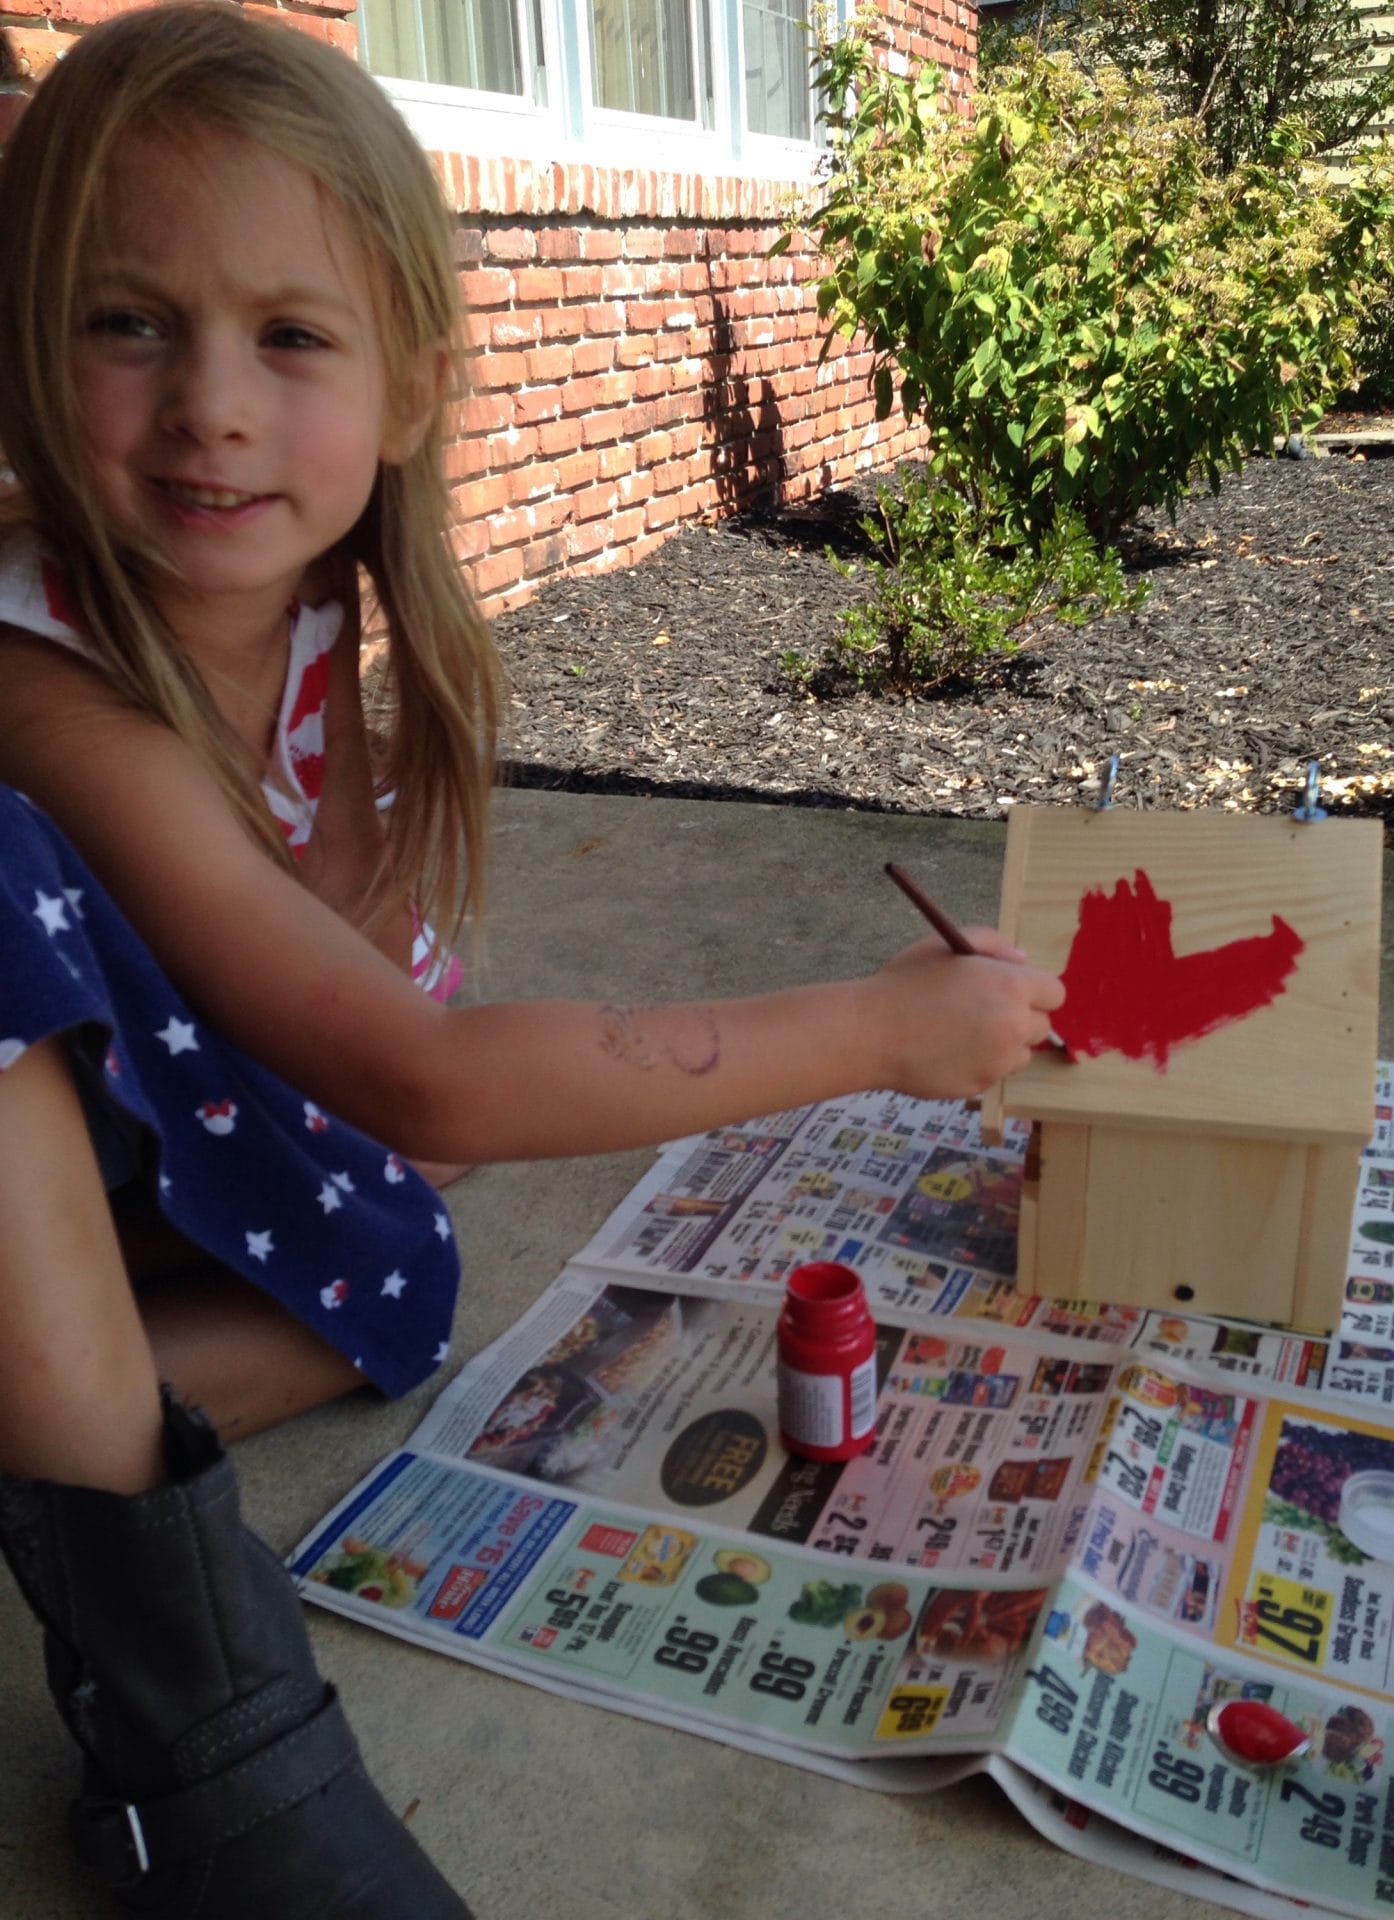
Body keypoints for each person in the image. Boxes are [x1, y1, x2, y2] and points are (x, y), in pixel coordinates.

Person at [0, 7, 1065, 1917]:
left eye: (290, 336)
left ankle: (52, 1422)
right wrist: (882, 1029)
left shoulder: (308, 623)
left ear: (410, 389)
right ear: (25, 345)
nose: (211, 403)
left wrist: (415, 1093)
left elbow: (369, 1043)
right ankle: (196, 1719)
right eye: (128, 322)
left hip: (83, 1189)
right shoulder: (36, 675)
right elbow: (415, 1070)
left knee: (397, 1269)